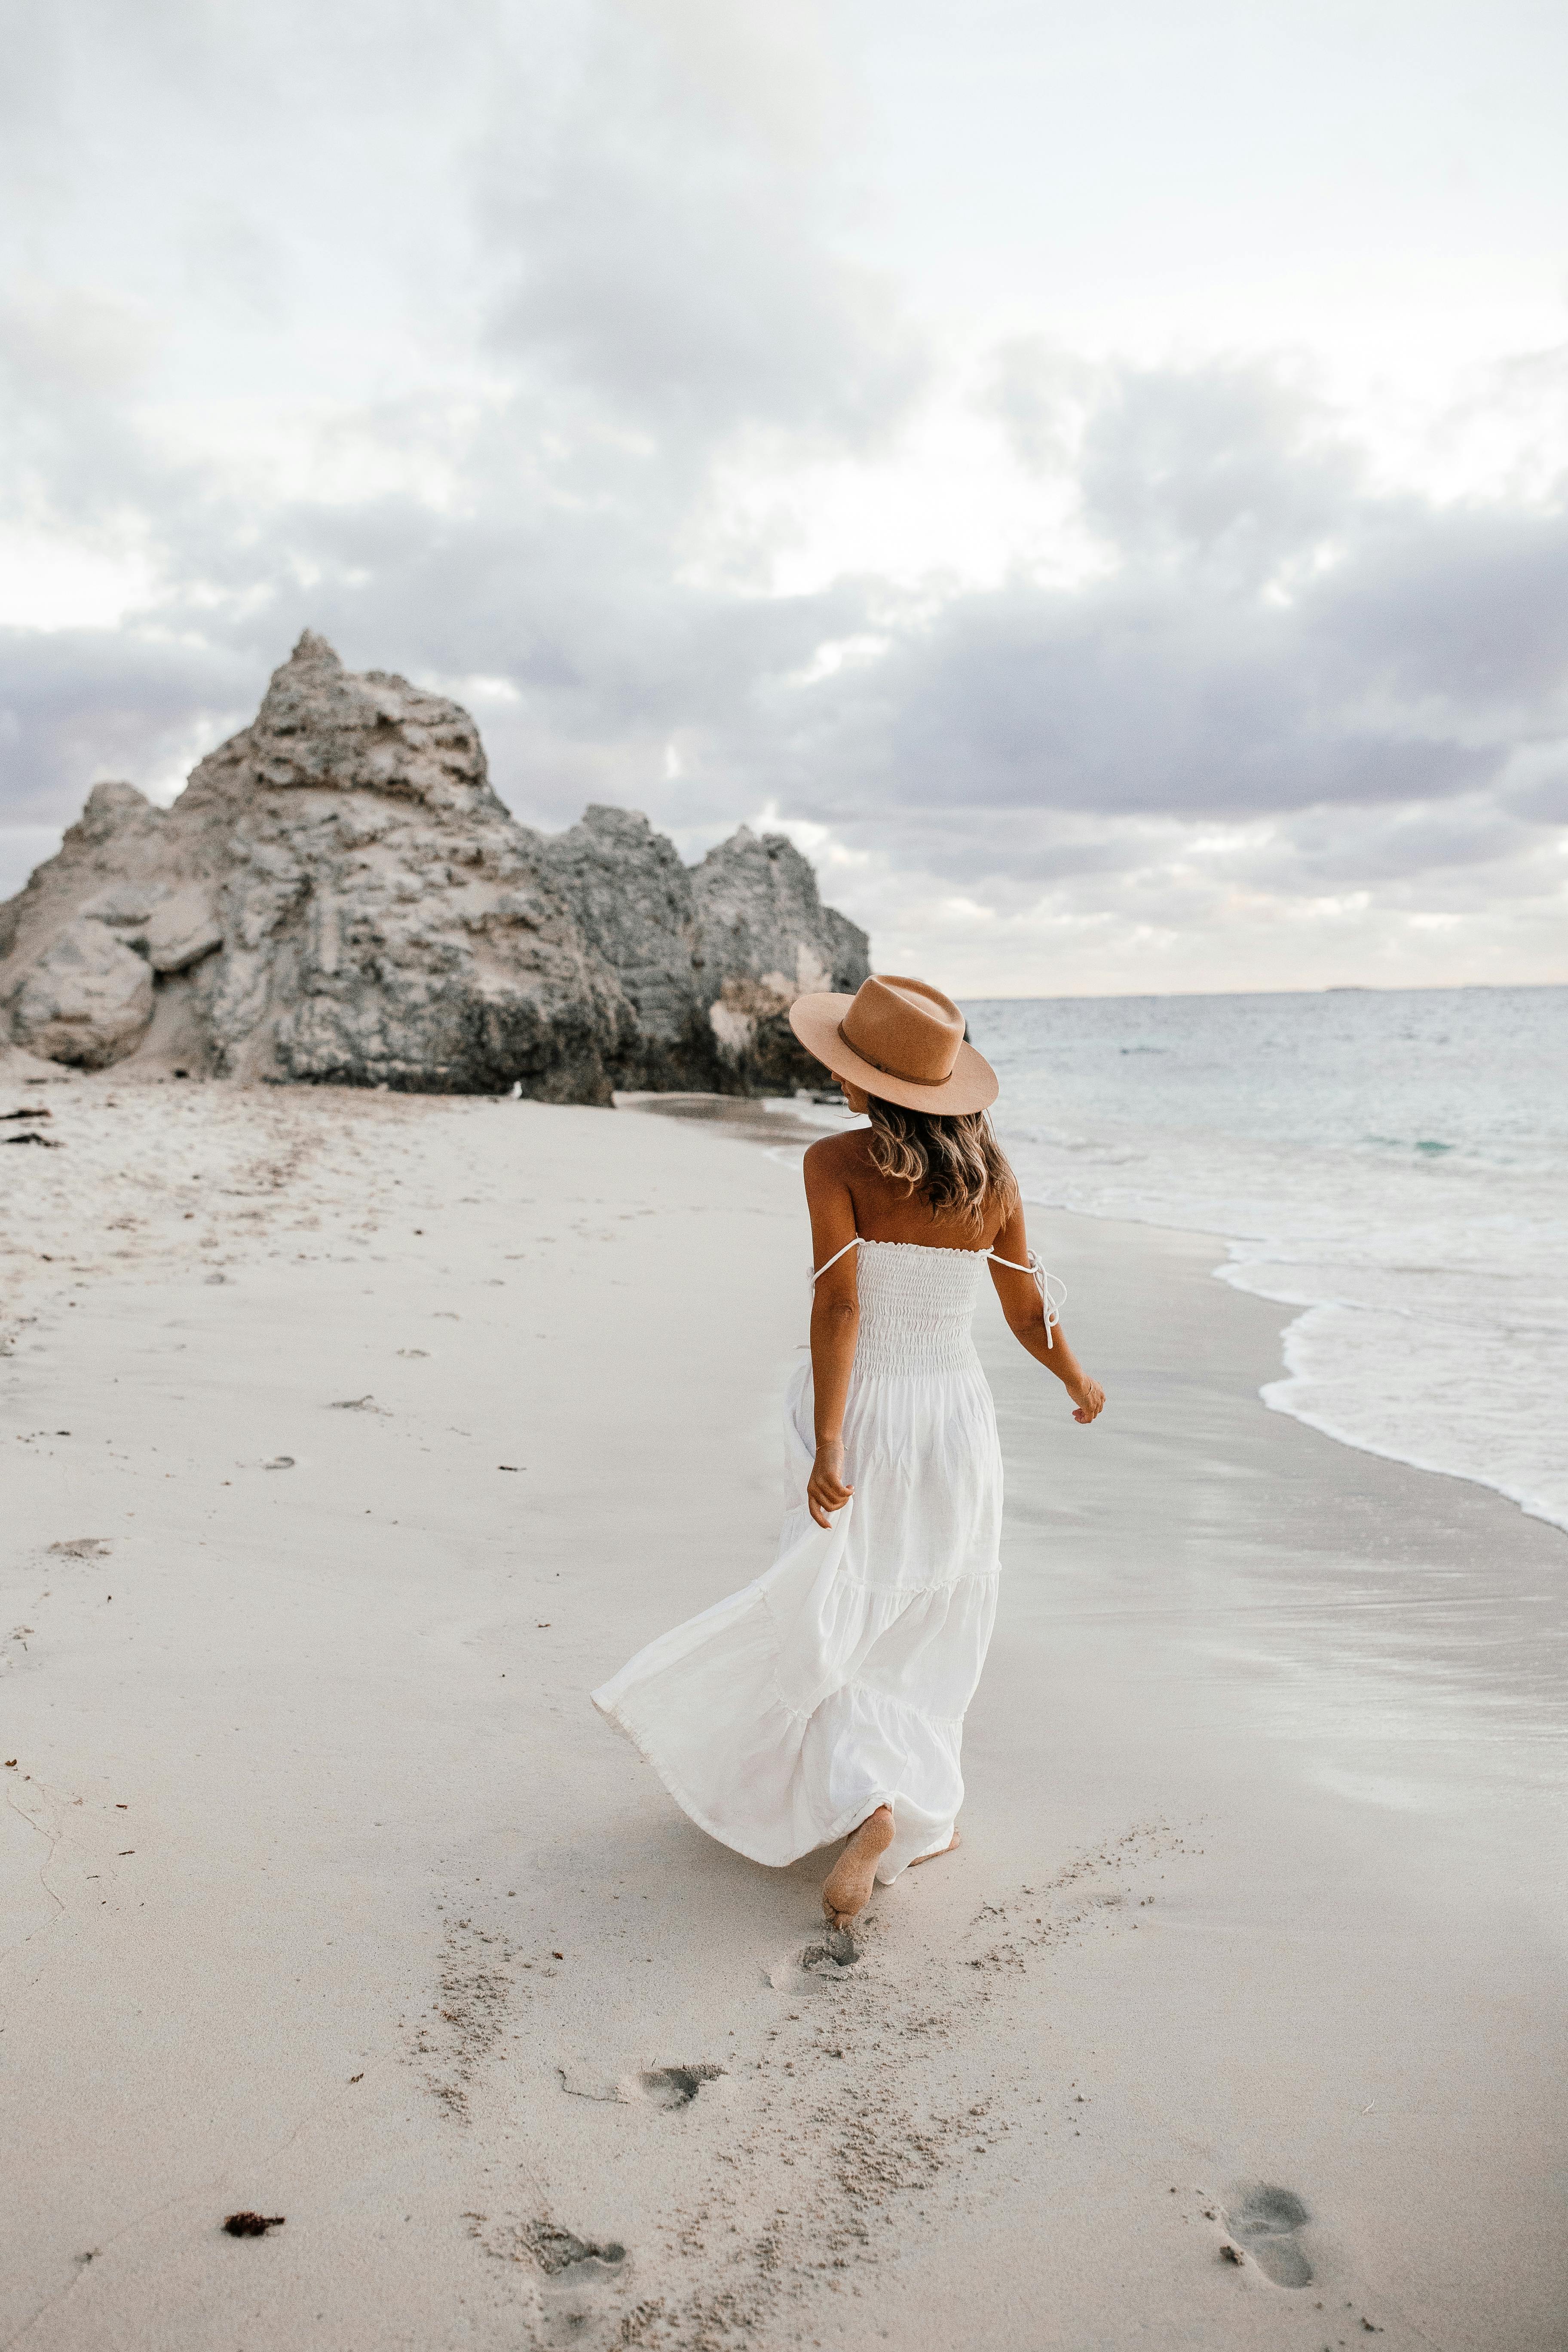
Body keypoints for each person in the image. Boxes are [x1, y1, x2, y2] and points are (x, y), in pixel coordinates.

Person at [592, 974, 1105, 1929]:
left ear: (868, 1085)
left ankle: (865, 1799)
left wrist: (829, 1439)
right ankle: (903, 1802)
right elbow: (1026, 1307)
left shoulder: (835, 1162)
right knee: (930, 1605)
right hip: (955, 1420)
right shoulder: (993, 1178)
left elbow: (840, 1306)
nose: (837, 1084)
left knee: (837, 1595)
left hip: (864, 1405)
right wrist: (1074, 1378)